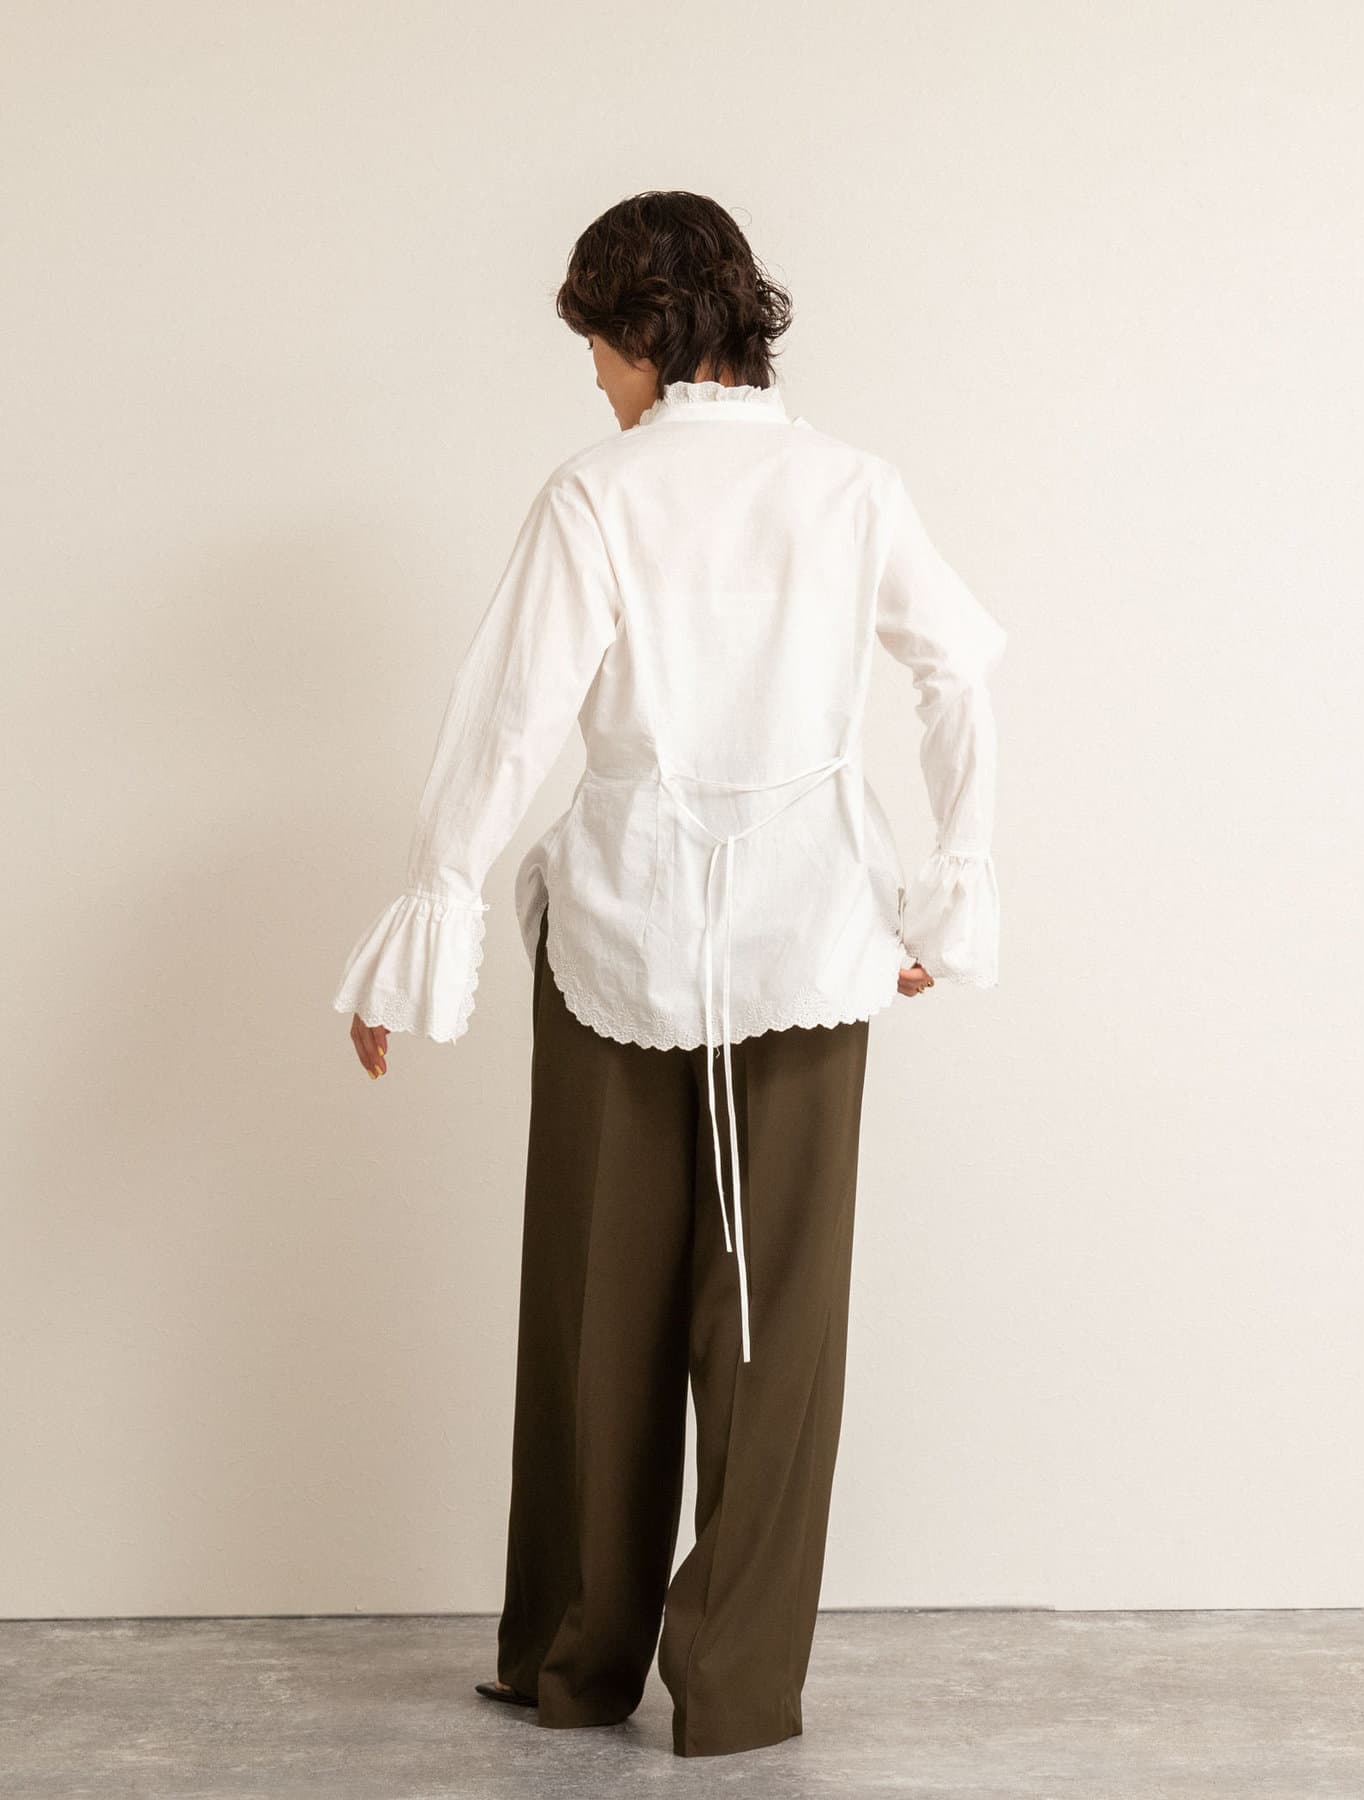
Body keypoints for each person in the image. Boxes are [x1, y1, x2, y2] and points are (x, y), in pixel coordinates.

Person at [330, 189, 1008, 1759]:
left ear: (647, 330)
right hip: (811, 937)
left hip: (617, 935)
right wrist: (944, 893)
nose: (591, 376)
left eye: (596, 343)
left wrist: (431, 911)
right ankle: (741, 1691)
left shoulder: (599, 492)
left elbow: (511, 720)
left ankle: (576, 1665)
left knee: (596, 1306)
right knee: (778, 1328)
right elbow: (961, 670)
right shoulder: (851, 487)